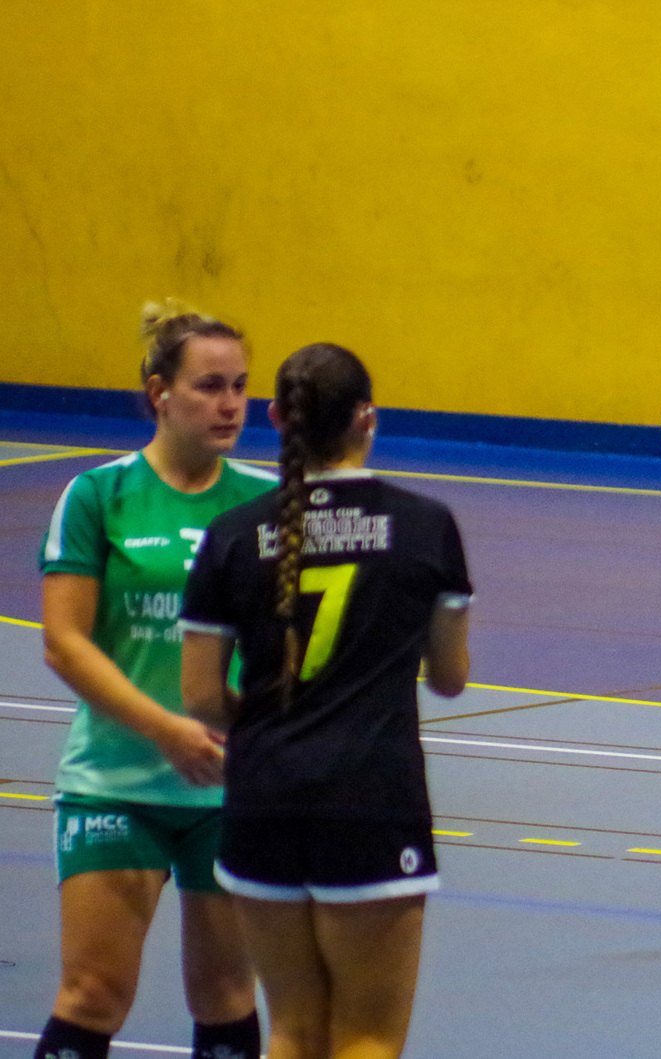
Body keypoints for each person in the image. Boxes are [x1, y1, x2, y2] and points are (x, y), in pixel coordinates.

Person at [178, 343, 471, 1059]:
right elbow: (449, 677)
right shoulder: (425, 525)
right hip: (371, 796)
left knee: (293, 1030)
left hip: (263, 797)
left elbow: (203, 696)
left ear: (276, 417)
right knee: (367, 1036)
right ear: (367, 418)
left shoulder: (234, 532)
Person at [34, 302, 271, 1059]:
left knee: (227, 996)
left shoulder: (268, 501)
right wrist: (166, 728)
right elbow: (66, 643)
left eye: (239, 386)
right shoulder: (99, 496)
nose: (230, 403)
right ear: (158, 393)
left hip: (229, 790)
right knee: (93, 993)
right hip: (116, 782)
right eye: (208, 385)